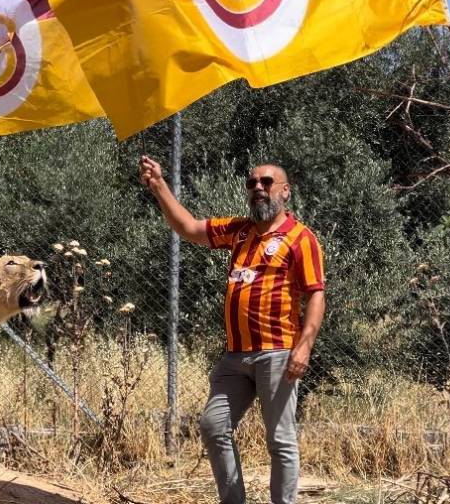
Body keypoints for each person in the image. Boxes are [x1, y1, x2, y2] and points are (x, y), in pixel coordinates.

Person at [139, 156, 326, 504]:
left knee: (280, 439)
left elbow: (316, 294)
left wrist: (304, 346)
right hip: (236, 357)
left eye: (267, 182)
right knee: (213, 425)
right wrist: (159, 186)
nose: (258, 188)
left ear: (285, 192)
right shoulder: (239, 231)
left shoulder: (301, 239)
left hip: (278, 352)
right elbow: (189, 228)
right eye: (252, 183)